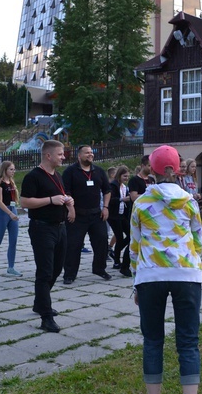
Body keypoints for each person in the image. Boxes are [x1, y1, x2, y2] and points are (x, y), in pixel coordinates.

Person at [130, 145, 202, 394]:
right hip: (187, 275)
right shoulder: (189, 202)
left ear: (152, 168)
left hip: (151, 275)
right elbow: (198, 242)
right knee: (188, 342)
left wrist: (135, 283)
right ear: (178, 169)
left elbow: (135, 246)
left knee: (152, 340)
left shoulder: (141, 203)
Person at [19, 140, 74, 333]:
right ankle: (46, 317)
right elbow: (24, 202)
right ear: (48, 155)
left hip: (60, 228)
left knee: (57, 269)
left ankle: (39, 303)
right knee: (45, 271)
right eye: (60, 154)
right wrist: (50, 200)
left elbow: (62, 195)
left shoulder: (57, 176)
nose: (63, 157)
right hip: (42, 229)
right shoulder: (33, 176)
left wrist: (69, 201)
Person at [62, 145, 112, 283]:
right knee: (73, 245)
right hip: (77, 215)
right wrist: (70, 209)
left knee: (102, 241)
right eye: (87, 153)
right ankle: (70, 274)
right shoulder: (70, 171)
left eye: (91, 152)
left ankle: (99, 269)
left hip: (96, 214)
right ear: (79, 156)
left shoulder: (99, 171)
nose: (90, 155)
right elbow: (66, 193)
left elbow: (107, 190)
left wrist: (106, 207)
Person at [108, 165, 133, 277]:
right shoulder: (113, 185)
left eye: (127, 176)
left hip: (122, 215)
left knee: (130, 235)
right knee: (119, 237)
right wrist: (121, 199)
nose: (126, 178)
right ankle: (117, 261)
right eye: (124, 176)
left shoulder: (124, 187)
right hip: (113, 216)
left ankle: (113, 251)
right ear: (119, 175)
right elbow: (110, 200)